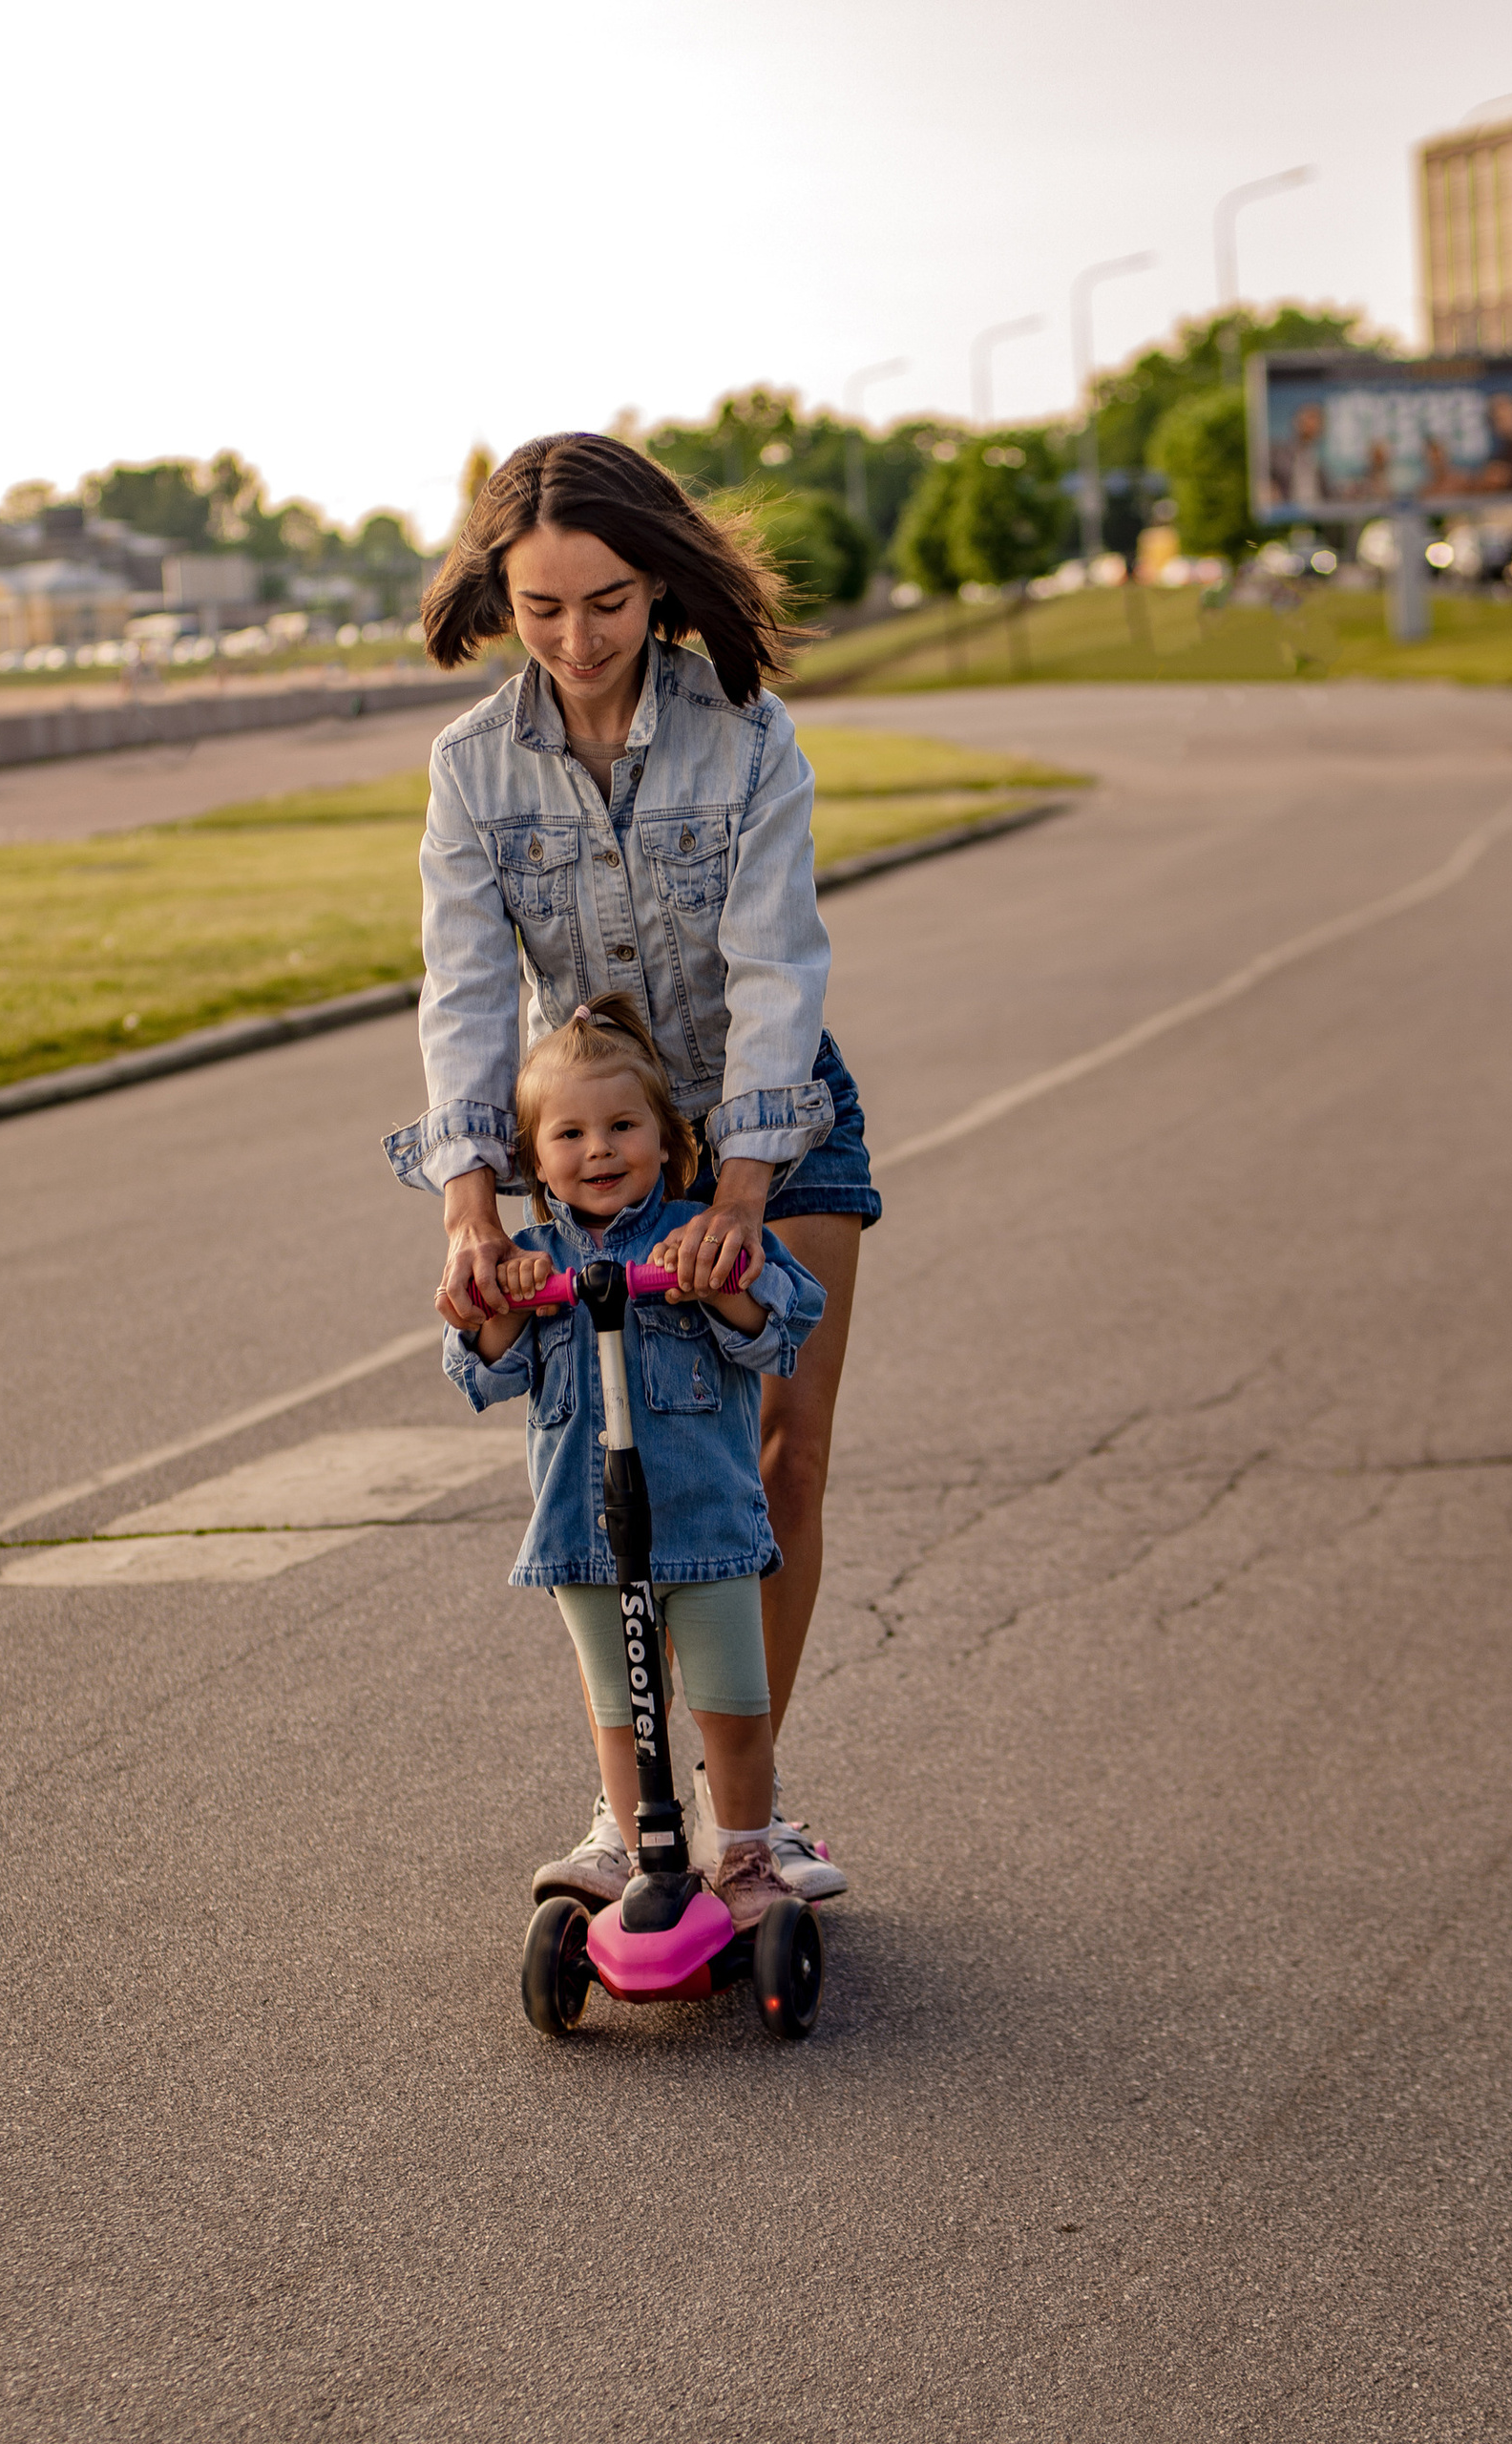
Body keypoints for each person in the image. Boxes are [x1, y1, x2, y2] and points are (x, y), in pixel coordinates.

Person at [382, 431, 879, 1908]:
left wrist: (738, 1186)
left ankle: (745, 1822)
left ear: (654, 582)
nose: (576, 638)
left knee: (772, 1460)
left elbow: (775, 960)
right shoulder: (472, 766)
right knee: (623, 1491)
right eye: (541, 608)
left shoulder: (746, 736)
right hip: (594, 1149)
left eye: (603, 602)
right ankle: (641, 1819)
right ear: (500, 599)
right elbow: (464, 988)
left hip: (774, 1129)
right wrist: (472, 1197)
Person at [442, 996, 826, 1932]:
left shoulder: (702, 1237)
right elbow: (480, 1372)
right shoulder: (528, 1257)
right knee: (621, 1709)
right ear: (534, 1160)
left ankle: (741, 1845)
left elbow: (781, 1327)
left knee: (732, 1705)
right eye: (570, 1133)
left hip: (705, 1525)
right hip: (586, 1531)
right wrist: (501, 1305)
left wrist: (724, 1284)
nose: (600, 1149)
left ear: (668, 1139)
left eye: (622, 1126)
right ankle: (636, 1843)